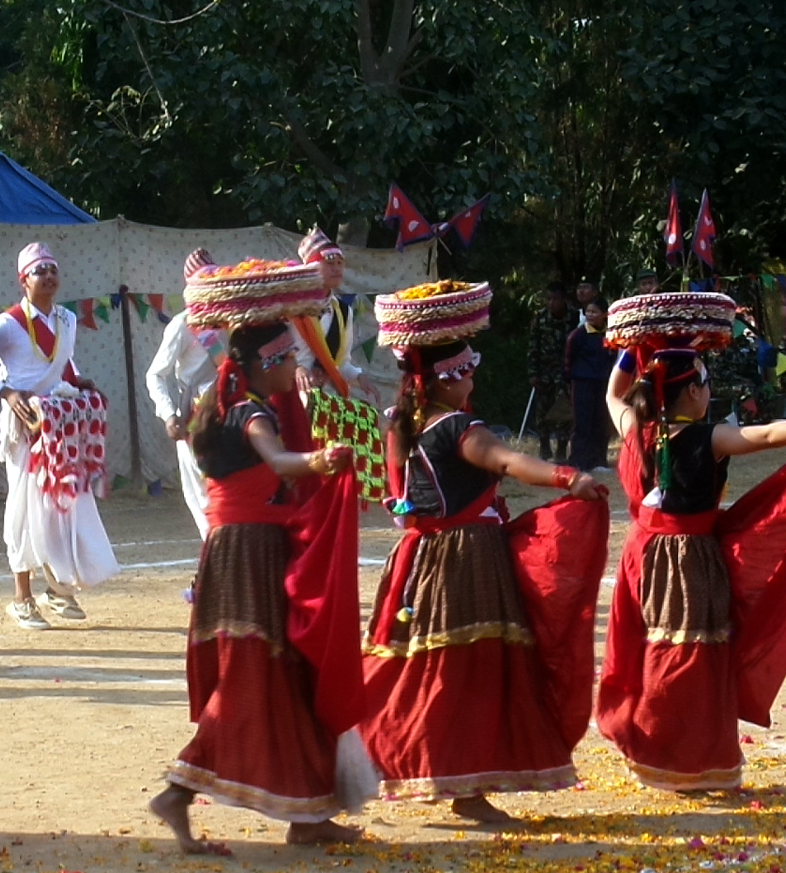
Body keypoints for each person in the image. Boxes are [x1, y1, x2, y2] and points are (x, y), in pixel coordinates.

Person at [360, 283, 609, 824]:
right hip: (466, 562)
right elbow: (508, 463)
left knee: (426, 668)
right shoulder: (458, 427)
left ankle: (392, 759)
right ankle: (464, 789)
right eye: (466, 371)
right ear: (448, 377)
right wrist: (569, 477)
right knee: (466, 669)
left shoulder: (403, 423)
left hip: (420, 560)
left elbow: (399, 499)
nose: (472, 380)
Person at [599, 298, 786, 791]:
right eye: (704, 381)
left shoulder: (637, 427)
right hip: (689, 558)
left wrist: (638, 349)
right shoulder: (708, 435)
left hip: (644, 556)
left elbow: (615, 393)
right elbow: (762, 436)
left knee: (657, 644)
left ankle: (656, 751)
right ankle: (680, 758)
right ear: (694, 391)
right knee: (691, 653)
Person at [149, 317, 368, 853]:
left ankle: (308, 815)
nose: (297, 367)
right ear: (268, 362)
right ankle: (179, 790)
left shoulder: (221, 402)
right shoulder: (249, 411)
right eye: (290, 357)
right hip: (249, 553)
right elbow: (277, 458)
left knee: (283, 677)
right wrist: (318, 459)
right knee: (253, 678)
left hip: (240, 549)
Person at [0, 242, 120, 629]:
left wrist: (76, 380)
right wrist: (7, 392)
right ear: (23, 280)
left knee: (63, 504)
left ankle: (58, 591)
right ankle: (22, 599)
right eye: (39, 270)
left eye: (52, 268)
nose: (48, 275)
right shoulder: (8, 323)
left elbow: (61, 364)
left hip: (61, 421)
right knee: (25, 508)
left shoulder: (66, 319)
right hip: (26, 426)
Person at [145, 248, 222, 536]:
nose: (210, 287)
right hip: (196, 418)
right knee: (203, 497)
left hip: (234, 412)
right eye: (203, 281)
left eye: (214, 279)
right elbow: (156, 374)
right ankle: (215, 562)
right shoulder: (182, 325)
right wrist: (168, 415)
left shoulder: (233, 319)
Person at [289, 228, 374, 401]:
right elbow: (271, 356)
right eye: (329, 263)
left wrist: (359, 377)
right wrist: (296, 368)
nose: (336, 269)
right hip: (286, 395)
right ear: (312, 267)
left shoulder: (343, 312)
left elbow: (340, 364)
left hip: (317, 400)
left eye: (340, 263)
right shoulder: (290, 308)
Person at [525, 283, 575, 462]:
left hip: (565, 372)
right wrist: (533, 372)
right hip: (544, 371)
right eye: (548, 299)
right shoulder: (540, 318)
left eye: (555, 299)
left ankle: (562, 449)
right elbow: (533, 347)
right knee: (542, 410)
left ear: (564, 300)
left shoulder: (574, 318)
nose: (551, 303)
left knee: (563, 410)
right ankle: (544, 446)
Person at [565, 298, 615, 471]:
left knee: (601, 422)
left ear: (604, 315)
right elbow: (569, 358)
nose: (590, 315)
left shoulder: (610, 334)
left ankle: (599, 460)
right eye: (588, 311)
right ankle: (578, 461)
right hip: (582, 382)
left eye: (595, 312)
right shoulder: (578, 335)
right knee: (582, 422)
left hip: (603, 383)